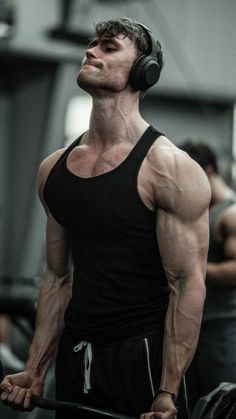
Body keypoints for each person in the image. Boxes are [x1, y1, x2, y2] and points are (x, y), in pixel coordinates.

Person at [0, 18, 210, 419]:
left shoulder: (168, 168)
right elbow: (58, 279)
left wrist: (168, 390)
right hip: (77, 351)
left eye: (109, 46)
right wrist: (36, 369)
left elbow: (186, 285)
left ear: (144, 69)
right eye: (91, 44)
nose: (91, 51)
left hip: (143, 353)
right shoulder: (54, 169)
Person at [179, 141, 236, 411]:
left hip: (225, 328)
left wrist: (187, 266)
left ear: (209, 170)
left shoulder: (230, 214)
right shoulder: (201, 212)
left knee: (221, 407)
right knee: (195, 406)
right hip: (197, 326)